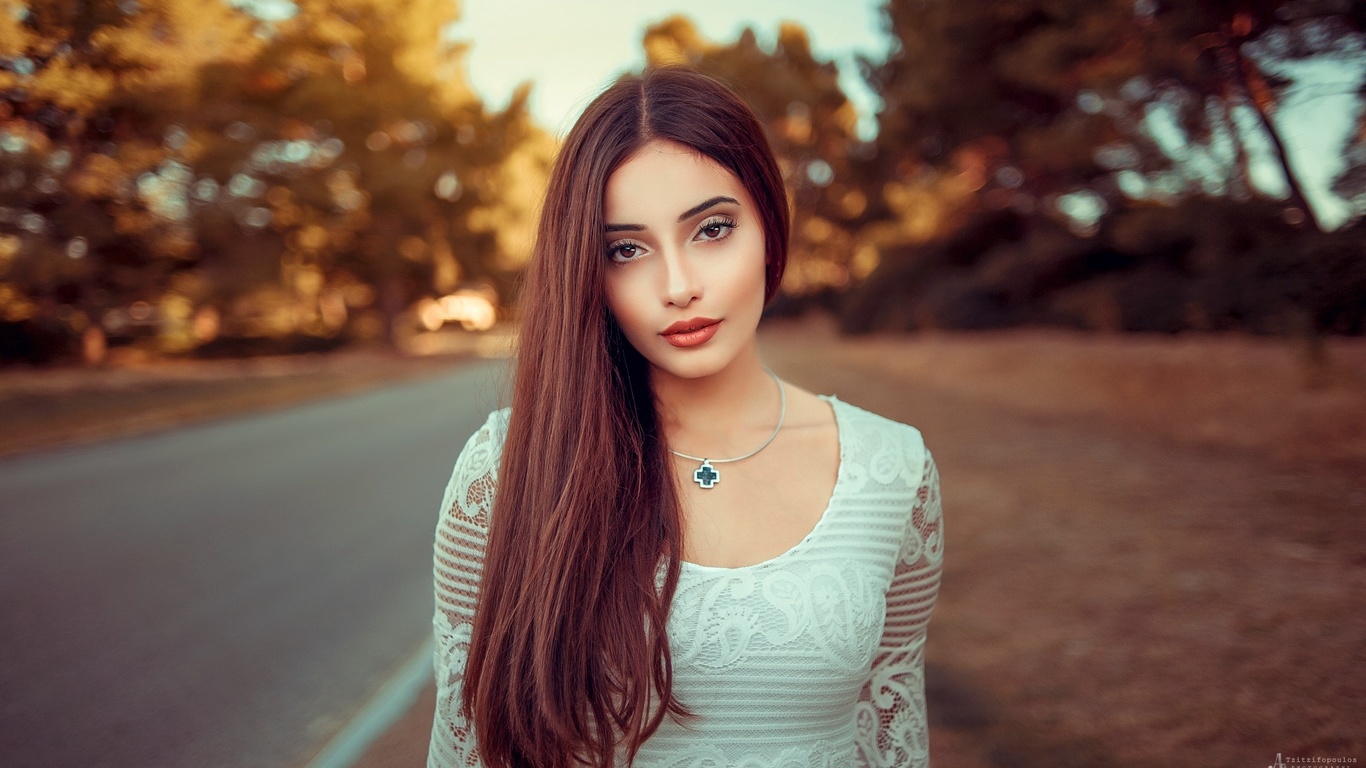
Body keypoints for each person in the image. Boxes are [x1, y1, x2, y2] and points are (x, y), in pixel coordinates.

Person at [428, 66, 943, 768]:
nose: (678, 286)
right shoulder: (506, 467)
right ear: (590, 272)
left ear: (769, 224)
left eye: (713, 229)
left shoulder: (893, 471)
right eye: (627, 249)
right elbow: (465, 752)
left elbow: (892, 742)